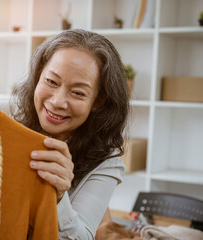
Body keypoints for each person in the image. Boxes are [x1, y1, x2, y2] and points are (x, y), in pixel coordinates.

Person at [11, 29, 129, 239]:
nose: (57, 101)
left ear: (98, 101)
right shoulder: (2, 117)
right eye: (51, 82)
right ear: (38, 76)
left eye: (78, 93)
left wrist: (59, 195)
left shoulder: (107, 163)